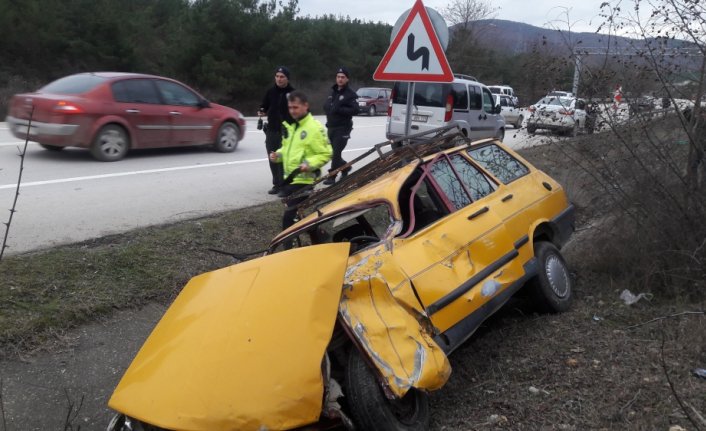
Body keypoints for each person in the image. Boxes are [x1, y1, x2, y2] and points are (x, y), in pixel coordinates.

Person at [269, 91, 332, 229]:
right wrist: (277, 156)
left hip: (304, 180)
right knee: (298, 218)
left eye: (295, 107)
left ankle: (288, 248)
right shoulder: (292, 127)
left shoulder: (314, 128)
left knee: (288, 219)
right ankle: (317, 236)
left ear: (305, 106)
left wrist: (309, 164)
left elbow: (325, 153)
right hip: (291, 180)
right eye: (290, 107)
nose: (292, 111)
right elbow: (286, 149)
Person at [259, 66, 294, 195]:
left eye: (282, 77)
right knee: (273, 157)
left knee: (283, 158)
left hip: (286, 132)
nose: (279, 79)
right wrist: (262, 110)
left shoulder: (293, 93)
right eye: (277, 76)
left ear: (287, 78)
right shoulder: (270, 92)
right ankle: (277, 184)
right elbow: (264, 105)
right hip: (272, 130)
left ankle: (285, 185)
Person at [322, 66, 358, 185]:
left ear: (347, 79)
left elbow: (355, 110)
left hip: (343, 128)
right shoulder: (332, 92)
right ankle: (346, 167)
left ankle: (332, 176)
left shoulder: (350, 94)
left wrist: (339, 109)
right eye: (338, 77)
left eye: (343, 77)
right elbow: (328, 106)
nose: (340, 79)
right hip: (331, 127)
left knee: (336, 152)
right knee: (334, 152)